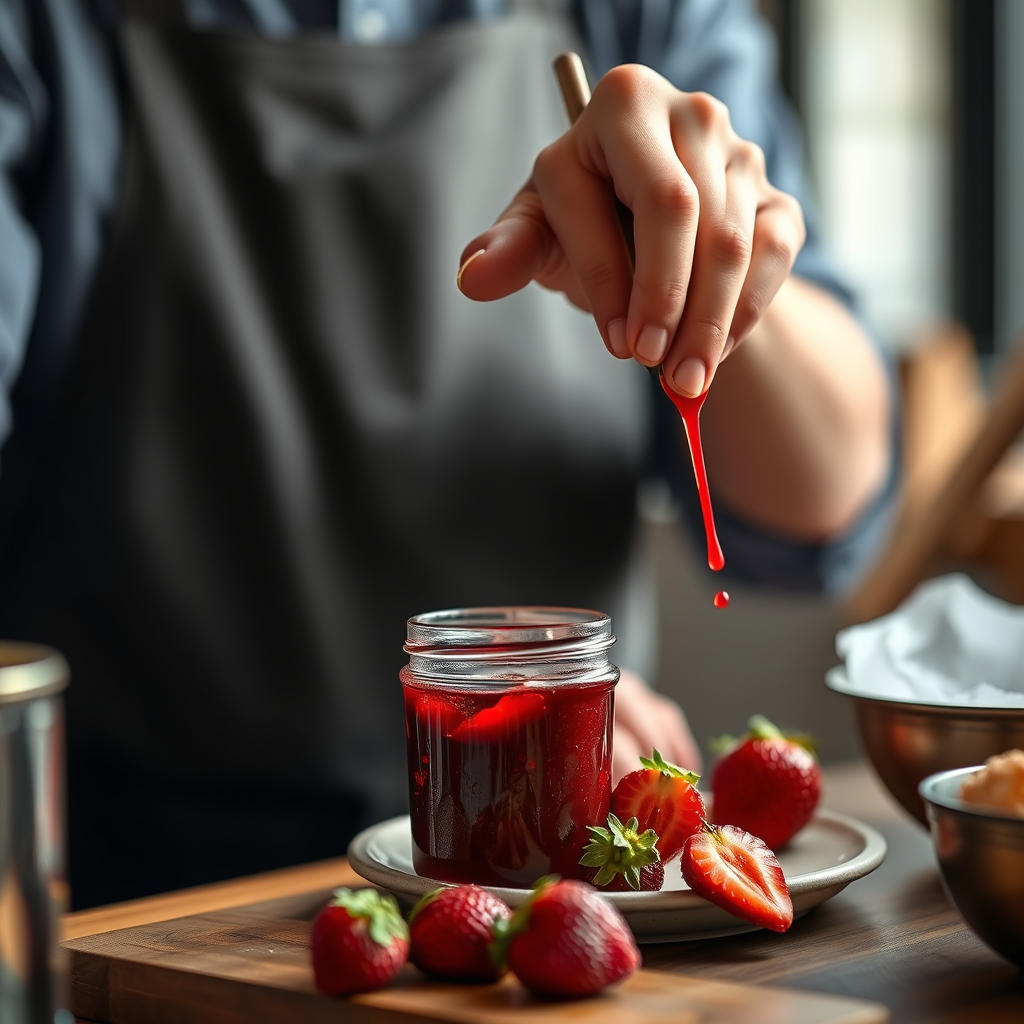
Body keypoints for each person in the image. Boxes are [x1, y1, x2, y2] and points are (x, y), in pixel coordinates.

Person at [0, 0, 893, 909]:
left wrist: (713, 264)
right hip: (139, 894)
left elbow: (821, 508)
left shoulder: (643, 17)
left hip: (555, 876)